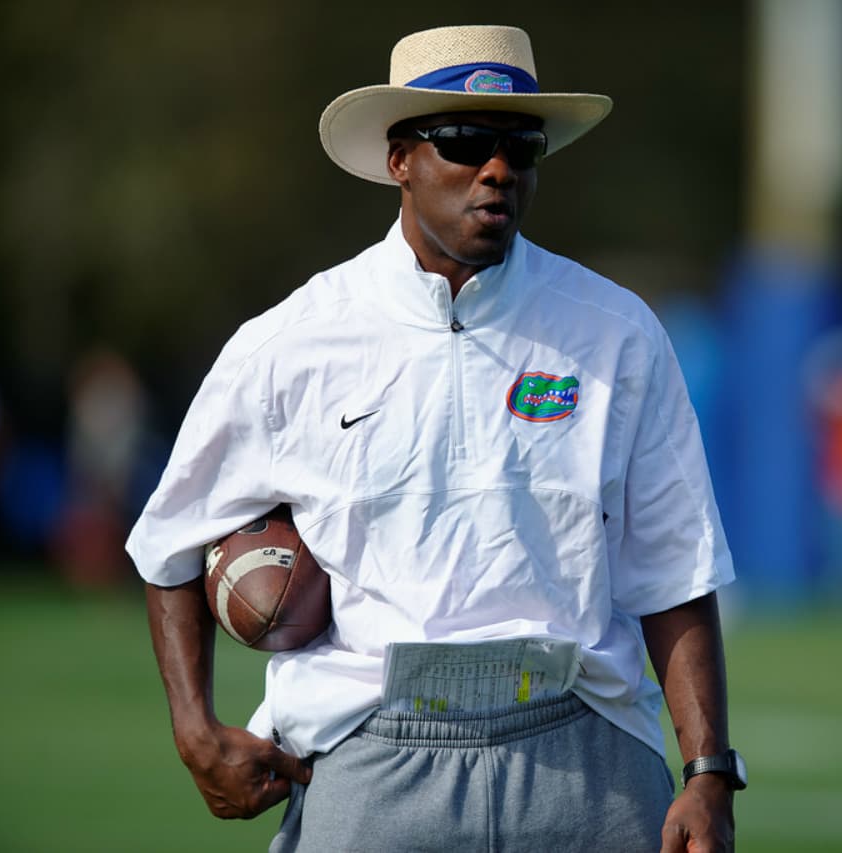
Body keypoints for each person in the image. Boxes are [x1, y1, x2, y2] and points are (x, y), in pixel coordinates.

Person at [127, 24, 744, 852]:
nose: (498, 169)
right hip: (369, 753)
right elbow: (173, 539)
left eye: (521, 145)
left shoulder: (618, 333)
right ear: (399, 159)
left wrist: (708, 772)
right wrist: (195, 730)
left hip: (583, 751)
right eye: (464, 140)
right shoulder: (291, 342)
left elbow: (676, 564)